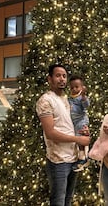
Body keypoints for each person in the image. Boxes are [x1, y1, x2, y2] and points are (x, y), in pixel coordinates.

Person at [36, 64, 90, 206]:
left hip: (73, 158)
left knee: (68, 199)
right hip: (58, 160)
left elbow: (71, 124)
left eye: (64, 76)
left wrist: (83, 132)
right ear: (49, 78)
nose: (62, 79)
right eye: (58, 75)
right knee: (58, 200)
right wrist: (78, 139)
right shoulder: (45, 100)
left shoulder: (67, 100)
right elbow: (50, 133)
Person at [68, 75, 90, 172]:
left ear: (82, 87)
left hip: (81, 121)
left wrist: (84, 96)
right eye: (72, 87)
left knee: (80, 137)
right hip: (73, 122)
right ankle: (79, 156)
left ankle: (82, 157)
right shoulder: (70, 98)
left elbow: (86, 105)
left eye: (77, 87)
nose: (74, 89)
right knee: (75, 139)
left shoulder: (81, 97)